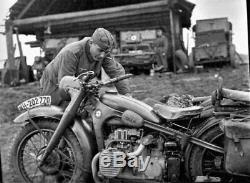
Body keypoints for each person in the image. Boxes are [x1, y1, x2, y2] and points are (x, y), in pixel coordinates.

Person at [40, 28, 131, 106]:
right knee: (56, 114)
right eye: (100, 51)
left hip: (78, 82)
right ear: (91, 43)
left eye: (106, 52)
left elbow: (116, 72)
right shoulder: (72, 52)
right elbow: (65, 83)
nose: (102, 55)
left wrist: (126, 95)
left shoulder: (104, 53)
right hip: (54, 82)